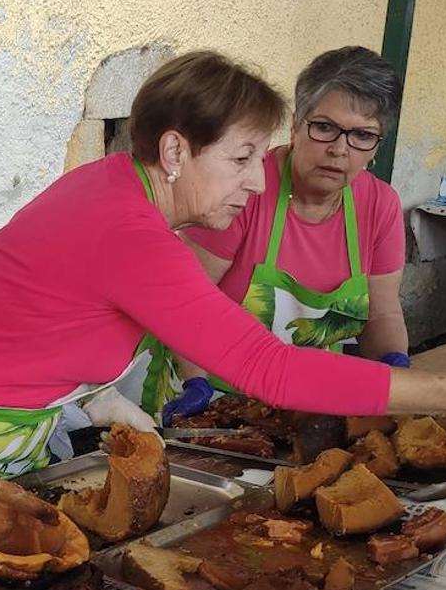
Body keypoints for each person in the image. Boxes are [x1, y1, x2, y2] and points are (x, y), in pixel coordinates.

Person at [0, 50, 446, 514]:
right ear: (175, 149)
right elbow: (271, 370)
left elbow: (47, 311)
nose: (256, 182)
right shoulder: (132, 234)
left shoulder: (118, 186)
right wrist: (441, 393)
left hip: (3, 427)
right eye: (242, 159)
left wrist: (97, 397)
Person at [160, 46, 410, 425]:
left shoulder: (380, 206)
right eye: (324, 127)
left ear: (376, 147)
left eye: (362, 135)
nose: (339, 149)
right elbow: (185, 301)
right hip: (216, 401)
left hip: (313, 406)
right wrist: (197, 383)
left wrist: (396, 367)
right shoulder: (245, 188)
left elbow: (383, 314)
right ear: (295, 126)